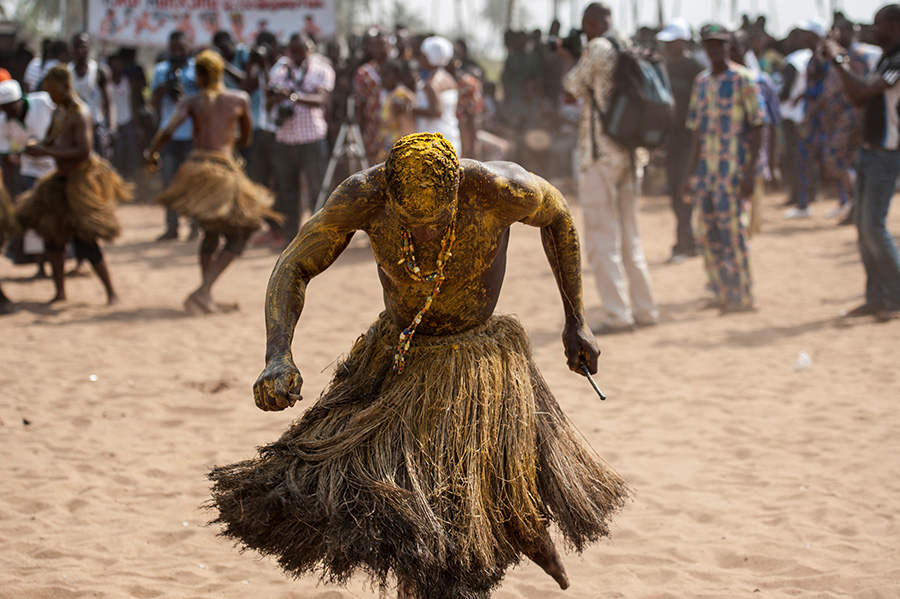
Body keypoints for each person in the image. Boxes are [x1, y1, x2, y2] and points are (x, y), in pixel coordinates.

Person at [207, 132, 629, 599]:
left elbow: (560, 217)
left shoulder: (498, 188)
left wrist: (577, 321)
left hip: (479, 364)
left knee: (481, 488)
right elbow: (294, 265)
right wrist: (278, 356)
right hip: (399, 357)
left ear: (457, 192)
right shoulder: (363, 196)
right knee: (389, 501)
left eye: (436, 221)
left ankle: (520, 532)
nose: (425, 234)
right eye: (412, 223)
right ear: (388, 192)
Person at [144, 50, 277, 315]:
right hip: (223, 170)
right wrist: (227, 143)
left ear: (201, 77)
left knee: (211, 232)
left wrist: (152, 153)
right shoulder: (240, 99)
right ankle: (203, 292)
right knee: (243, 231)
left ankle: (205, 295)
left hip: (197, 170)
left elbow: (168, 130)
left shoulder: (192, 101)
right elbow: (246, 140)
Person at [562, 2, 659, 334]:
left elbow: (570, 89)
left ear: (590, 22)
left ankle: (618, 314)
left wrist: (569, 57)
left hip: (600, 156)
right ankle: (645, 308)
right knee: (631, 236)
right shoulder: (627, 44)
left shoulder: (597, 48)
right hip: (631, 156)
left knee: (603, 239)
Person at [15, 66, 132, 306]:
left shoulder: (81, 113)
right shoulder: (59, 111)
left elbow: (83, 150)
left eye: (52, 91)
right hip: (59, 178)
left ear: (65, 87)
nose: (49, 96)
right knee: (52, 234)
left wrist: (46, 151)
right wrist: (35, 146)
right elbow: (50, 138)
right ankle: (60, 292)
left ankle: (111, 292)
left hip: (81, 179)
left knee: (85, 239)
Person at [823, 3, 900, 323]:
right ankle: (876, 298)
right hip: (871, 151)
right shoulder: (885, 58)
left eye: (878, 24)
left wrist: (837, 58)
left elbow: (864, 92)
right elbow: (860, 96)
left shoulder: (897, 60)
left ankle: (894, 299)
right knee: (864, 228)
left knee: (873, 226)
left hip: (886, 153)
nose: (872, 30)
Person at [685, 24, 765, 314]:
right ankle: (721, 291)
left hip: (732, 171)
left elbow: (758, 125)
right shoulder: (702, 82)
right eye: (710, 45)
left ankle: (743, 296)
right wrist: (688, 175)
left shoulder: (744, 79)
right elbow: (695, 133)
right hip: (706, 173)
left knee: (733, 234)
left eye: (720, 45)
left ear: (729, 47)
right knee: (707, 234)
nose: (715, 50)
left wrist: (750, 173)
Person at [794, 20, 869, 224]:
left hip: (851, 115)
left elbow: (862, 88)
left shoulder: (857, 56)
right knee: (836, 160)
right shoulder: (835, 57)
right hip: (834, 117)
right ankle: (853, 203)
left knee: (834, 157)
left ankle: (856, 200)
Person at [267, 32, 334, 244]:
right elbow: (268, 102)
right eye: (292, 51)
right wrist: (277, 97)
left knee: (318, 190)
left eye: (300, 50)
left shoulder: (322, 68)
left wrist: (294, 97)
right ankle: (291, 240)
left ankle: (321, 239)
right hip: (285, 139)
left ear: (310, 48)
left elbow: (322, 99)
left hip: (312, 138)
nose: (296, 55)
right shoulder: (278, 70)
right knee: (287, 193)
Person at [657, 18, 705, 263]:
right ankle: (689, 241)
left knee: (684, 189)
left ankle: (683, 243)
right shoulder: (666, 67)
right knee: (675, 192)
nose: (666, 46)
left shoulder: (695, 68)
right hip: (672, 138)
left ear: (682, 41)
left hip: (691, 138)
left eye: (671, 41)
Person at [151, 30, 198, 241]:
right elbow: (152, 104)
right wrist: (161, 92)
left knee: (192, 182)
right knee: (169, 183)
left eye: (181, 48)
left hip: (192, 135)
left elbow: (205, 99)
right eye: (174, 49)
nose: (177, 52)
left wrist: (186, 95)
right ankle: (172, 227)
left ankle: (195, 227)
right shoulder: (160, 70)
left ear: (189, 47)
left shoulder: (197, 69)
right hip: (169, 135)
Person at [68, 33, 116, 160]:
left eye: (83, 46)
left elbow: (109, 103)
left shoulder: (100, 71)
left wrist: (111, 128)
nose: (80, 50)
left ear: (89, 48)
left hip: (95, 126)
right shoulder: (67, 73)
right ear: (72, 49)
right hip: (73, 129)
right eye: (77, 47)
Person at [414, 36, 462, 156]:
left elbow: (436, 111)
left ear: (429, 57)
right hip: (451, 137)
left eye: (423, 55)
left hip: (434, 145)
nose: (420, 58)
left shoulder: (431, 83)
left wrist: (411, 109)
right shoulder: (448, 78)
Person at [353, 28, 390, 164]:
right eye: (376, 46)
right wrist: (360, 132)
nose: (380, 49)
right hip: (372, 128)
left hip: (394, 128)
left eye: (383, 45)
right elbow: (359, 103)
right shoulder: (363, 72)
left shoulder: (397, 68)